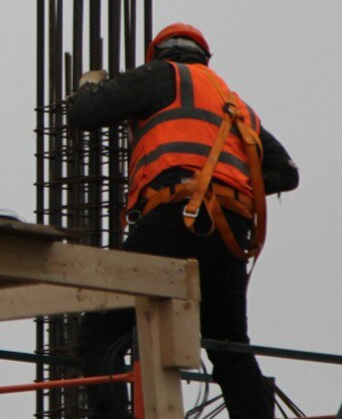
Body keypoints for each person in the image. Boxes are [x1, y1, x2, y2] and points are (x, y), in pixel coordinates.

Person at [69, 22, 299, 418]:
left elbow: (85, 114)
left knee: (101, 332)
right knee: (229, 347)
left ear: (157, 54)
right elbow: (287, 173)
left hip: (175, 215)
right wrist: (230, 184)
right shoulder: (234, 104)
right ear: (205, 58)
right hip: (230, 232)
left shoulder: (162, 76)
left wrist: (90, 86)